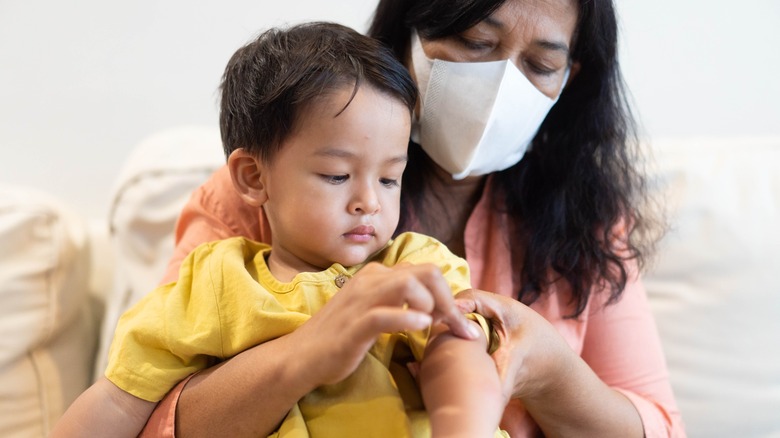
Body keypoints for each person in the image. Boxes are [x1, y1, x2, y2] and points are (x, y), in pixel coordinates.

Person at [141, 0, 687, 437]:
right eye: (477, 43)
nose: (503, 88)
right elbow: (148, 408)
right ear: (409, 33)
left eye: (541, 66)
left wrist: (551, 372)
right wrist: (306, 352)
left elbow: (660, 424)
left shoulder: (585, 214)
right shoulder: (266, 194)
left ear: (570, 76)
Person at [51, 22, 507, 438]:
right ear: (253, 177)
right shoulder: (216, 280)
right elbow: (119, 398)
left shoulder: (412, 265)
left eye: (389, 179)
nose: (369, 200)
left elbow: (458, 349)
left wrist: (464, 425)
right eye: (336, 176)